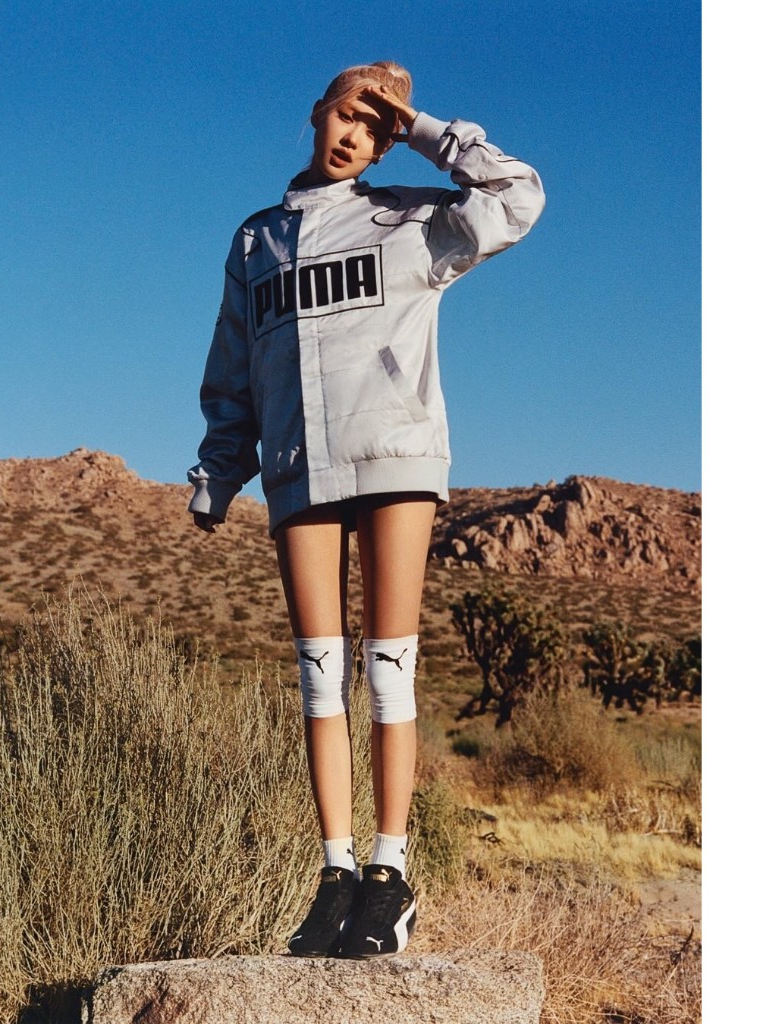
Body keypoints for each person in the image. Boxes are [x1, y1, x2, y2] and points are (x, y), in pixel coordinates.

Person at [187, 61, 545, 959]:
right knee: (320, 674)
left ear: (389, 144)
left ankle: (390, 874)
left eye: (376, 128)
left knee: (388, 671)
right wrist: (220, 470)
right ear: (318, 113)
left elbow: (519, 195)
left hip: (395, 455)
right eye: (348, 113)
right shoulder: (256, 241)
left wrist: (422, 128)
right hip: (298, 466)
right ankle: (335, 874)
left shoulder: (414, 220)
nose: (355, 135)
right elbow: (234, 365)